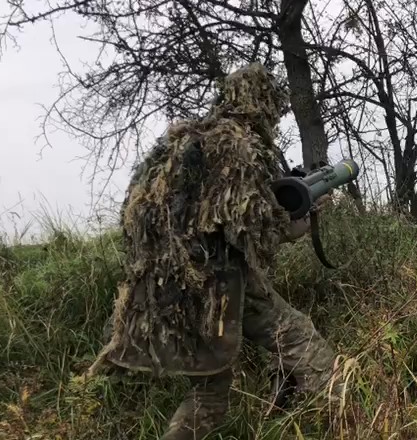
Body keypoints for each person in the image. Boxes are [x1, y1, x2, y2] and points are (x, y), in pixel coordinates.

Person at [88, 62, 341, 440]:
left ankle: (293, 405)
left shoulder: (177, 144)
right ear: (264, 104)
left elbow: (148, 215)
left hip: (164, 287)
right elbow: (251, 231)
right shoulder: (238, 145)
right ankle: (352, 414)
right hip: (214, 288)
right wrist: (296, 227)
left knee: (209, 393)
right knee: (298, 338)